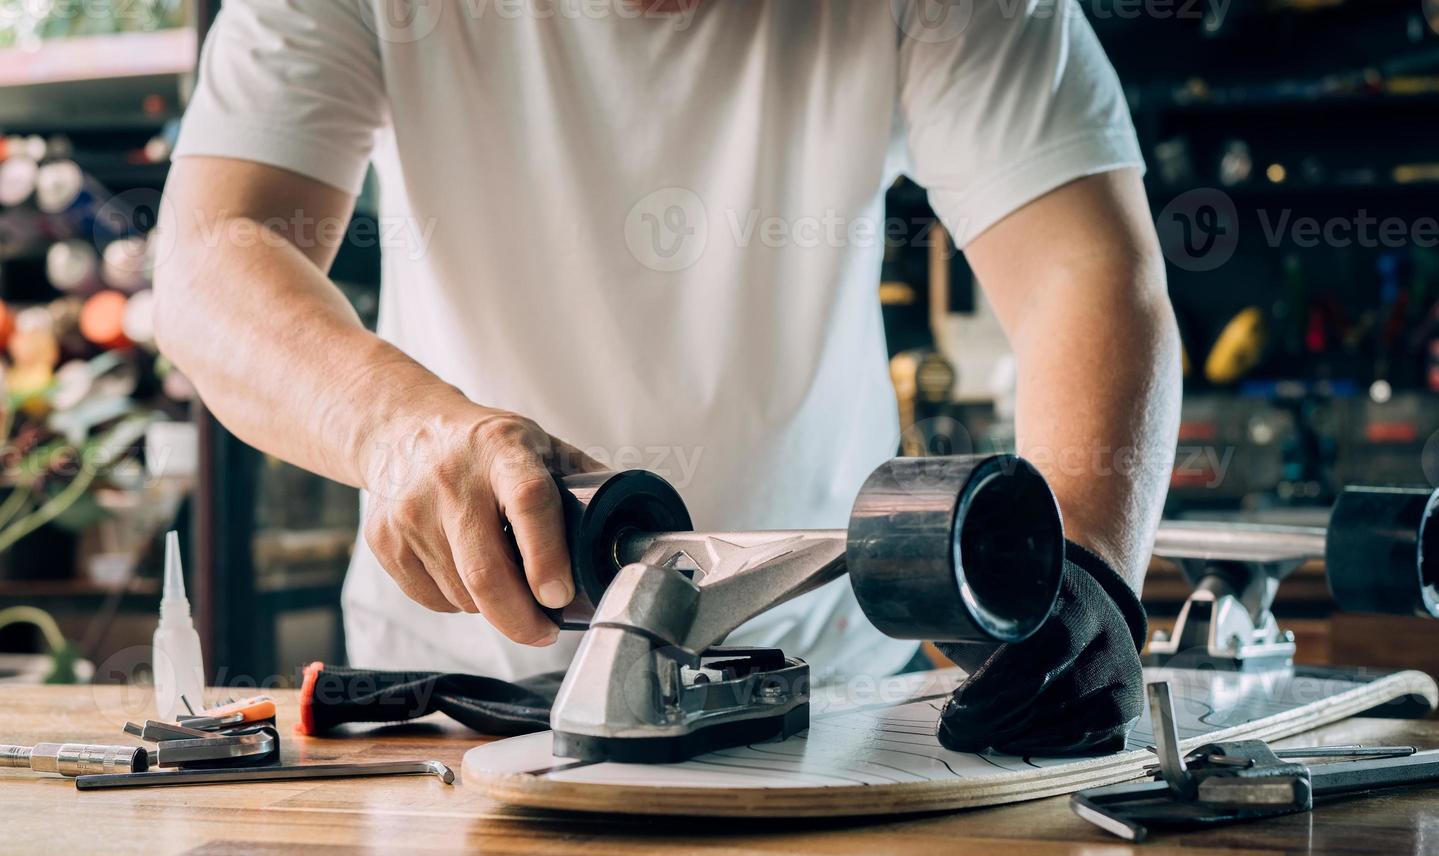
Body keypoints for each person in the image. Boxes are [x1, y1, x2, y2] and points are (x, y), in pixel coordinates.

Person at [154, 0, 1181, 754]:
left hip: (825, 710)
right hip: (457, 706)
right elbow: (212, 255)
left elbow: (1081, 266)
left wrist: (1081, 565)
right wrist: (398, 429)